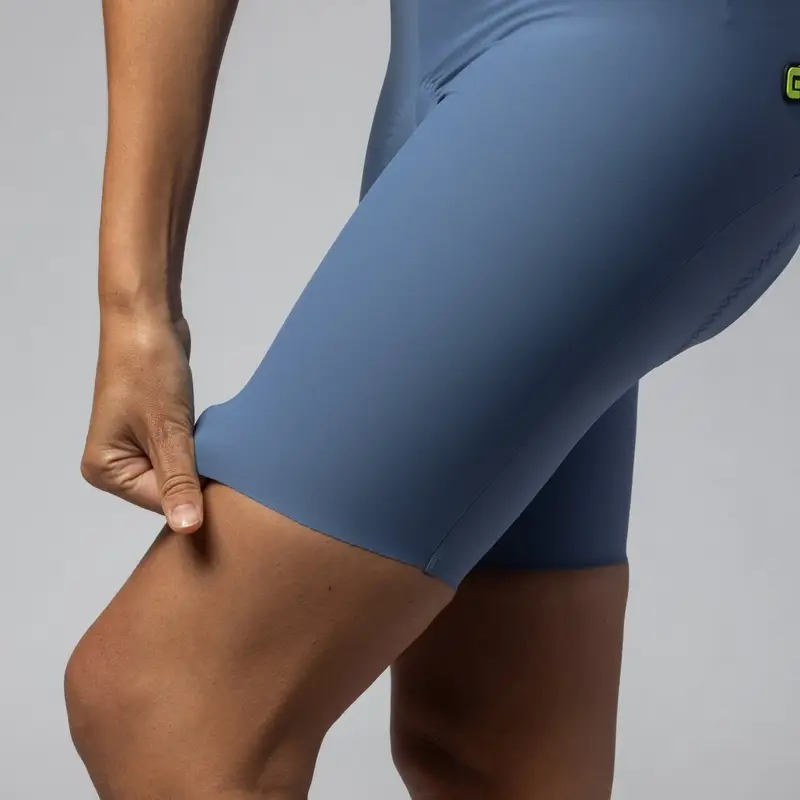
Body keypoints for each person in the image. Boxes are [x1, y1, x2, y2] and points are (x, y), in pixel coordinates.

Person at [64, 1, 800, 798]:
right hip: (449, 58)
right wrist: (134, 305)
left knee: (161, 703)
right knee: (481, 742)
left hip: (649, 52)